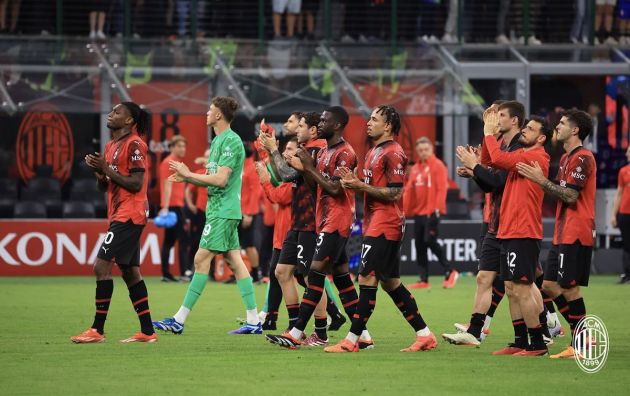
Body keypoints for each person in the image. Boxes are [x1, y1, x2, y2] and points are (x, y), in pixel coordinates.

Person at [325, 105, 438, 353]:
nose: (368, 122)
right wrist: (353, 184)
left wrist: (360, 186)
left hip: (386, 223)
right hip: (376, 221)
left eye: (374, 119)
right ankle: (425, 335)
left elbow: (396, 192)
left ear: (388, 126)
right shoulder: (375, 150)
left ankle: (353, 340)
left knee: (367, 277)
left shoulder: (394, 152)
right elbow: (372, 186)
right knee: (390, 283)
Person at [152, 96, 262, 335]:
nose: (207, 113)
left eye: (210, 110)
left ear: (219, 115)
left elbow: (221, 180)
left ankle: (179, 320)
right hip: (220, 210)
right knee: (235, 261)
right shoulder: (218, 141)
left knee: (201, 259)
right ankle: (253, 321)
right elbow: (212, 175)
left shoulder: (231, 141)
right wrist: (188, 176)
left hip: (223, 211)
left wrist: (189, 174)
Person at [266, 106, 371, 349]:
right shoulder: (325, 152)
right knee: (343, 279)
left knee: (313, 275)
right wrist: (306, 169)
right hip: (323, 218)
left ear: (336, 125)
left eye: (325, 121)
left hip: (337, 219)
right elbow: (315, 186)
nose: (320, 124)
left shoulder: (345, 153)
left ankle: (297, 331)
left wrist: (308, 168)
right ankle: (363, 335)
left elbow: (335, 188)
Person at [71, 102, 157, 343]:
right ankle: (148, 332)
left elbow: (136, 184)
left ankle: (97, 330)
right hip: (119, 212)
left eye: (117, 112)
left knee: (101, 267)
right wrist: (99, 173)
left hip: (130, 213)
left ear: (129, 121)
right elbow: (105, 186)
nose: (111, 114)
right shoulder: (110, 146)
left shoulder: (135, 144)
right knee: (130, 272)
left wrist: (106, 168)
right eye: (111, 111)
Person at [443, 100, 524, 346]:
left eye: (500, 115)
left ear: (514, 121)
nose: (495, 120)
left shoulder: (519, 147)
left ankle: (542, 328)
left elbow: (498, 181)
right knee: (484, 278)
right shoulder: (504, 145)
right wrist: (476, 171)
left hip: (514, 224)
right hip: (496, 223)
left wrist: (476, 165)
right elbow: (491, 184)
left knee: (521, 285)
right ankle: (475, 331)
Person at [516, 109, 596, 359]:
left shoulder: (583, 158)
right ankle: (582, 334)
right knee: (549, 285)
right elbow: (559, 190)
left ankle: (581, 342)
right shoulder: (564, 159)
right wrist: (539, 182)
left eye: (561, 123)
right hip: (563, 230)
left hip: (577, 229)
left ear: (574, 130)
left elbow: (571, 195)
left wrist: (541, 181)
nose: (556, 127)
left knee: (570, 288)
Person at [482, 109, 553, 356]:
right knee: (512, 288)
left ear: (542, 138)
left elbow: (499, 159)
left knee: (522, 288)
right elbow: (491, 161)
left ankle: (538, 343)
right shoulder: (523, 154)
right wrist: (486, 139)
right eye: (525, 127)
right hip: (509, 230)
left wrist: (489, 133)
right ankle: (520, 341)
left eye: (530, 129)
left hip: (523, 231)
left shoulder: (535, 157)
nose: (524, 130)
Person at [404, 137, 458, 289]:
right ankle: (423, 279)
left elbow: (442, 189)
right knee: (420, 245)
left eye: (426, 149)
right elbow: (409, 191)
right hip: (418, 213)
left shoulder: (438, 166)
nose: (423, 153)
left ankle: (450, 270)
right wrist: (404, 210)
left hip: (432, 212)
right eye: (420, 150)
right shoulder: (415, 169)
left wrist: (437, 209)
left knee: (430, 241)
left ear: (432, 149)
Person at [255, 137, 298, 330]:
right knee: (277, 275)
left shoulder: (297, 176)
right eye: (285, 148)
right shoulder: (289, 175)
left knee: (305, 278)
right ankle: (272, 319)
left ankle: (326, 317)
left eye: (290, 149)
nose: (286, 152)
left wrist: (265, 181)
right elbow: (277, 184)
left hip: (292, 234)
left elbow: (278, 196)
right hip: (283, 234)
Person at [158, 135, 191, 282]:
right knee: (181, 240)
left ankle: (166, 274)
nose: (183, 149)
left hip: (178, 205)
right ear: (172, 147)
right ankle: (183, 272)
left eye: (184, 146)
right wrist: (165, 207)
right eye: (179, 146)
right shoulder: (168, 163)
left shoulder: (177, 163)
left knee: (170, 241)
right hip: (173, 207)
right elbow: (167, 185)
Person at [239, 142, 263, 282]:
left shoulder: (252, 168)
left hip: (247, 212)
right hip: (238, 211)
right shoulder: (242, 167)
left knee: (249, 245)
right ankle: (237, 274)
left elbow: (256, 192)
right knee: (236, 245)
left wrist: (249, 213)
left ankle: (255, 274)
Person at [184, 149, 210, 270]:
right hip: (201, 212)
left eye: (208, 157)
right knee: (196, 241)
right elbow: (188, 190)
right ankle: (190, 268)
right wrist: (190, 204)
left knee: (211, 243)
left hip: (214, 213)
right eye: (205, 157)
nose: (205, 161)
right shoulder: (199, 173)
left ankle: (211, 270)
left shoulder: (218, 174)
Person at [612, 146, 630, 284]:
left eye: (629, 152)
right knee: (626, 245)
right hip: (624, 213)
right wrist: (613, 214)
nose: (626, 154)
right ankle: (626, 274)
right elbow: (619, 193)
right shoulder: (623, 171)